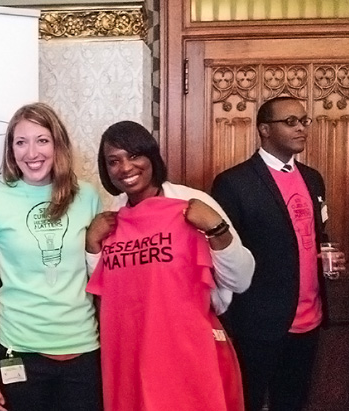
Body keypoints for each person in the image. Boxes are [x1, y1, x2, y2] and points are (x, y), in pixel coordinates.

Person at [86, 120, 254, 411]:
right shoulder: (112, 217)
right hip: (133, 351)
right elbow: (109, 286)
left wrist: (216, 229)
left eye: (135, 155)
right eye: (114, 161)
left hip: (188, 347)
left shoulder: (192, 202)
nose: (125, 168)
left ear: (152, 156)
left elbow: (241, 280)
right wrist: (92, 246)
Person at [0, 102, 102, 411]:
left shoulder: (88, 197)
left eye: (42, 140)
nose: (32, 153)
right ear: (11, 150)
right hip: (20, 353)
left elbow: (101, 276)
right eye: (21, 142)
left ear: (57, 144)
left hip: (84, 352)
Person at [211, 96, 346, 411]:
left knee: (293, 402)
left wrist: (323, 254)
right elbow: (222, 256)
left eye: (303, 121)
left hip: (309, 320)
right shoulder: (233, 183)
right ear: (264, 130)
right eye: (290, 122)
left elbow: (314, 234)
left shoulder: (312, 178)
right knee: (248, 402)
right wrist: (229, 324)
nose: (300, 128)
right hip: (257, 324)